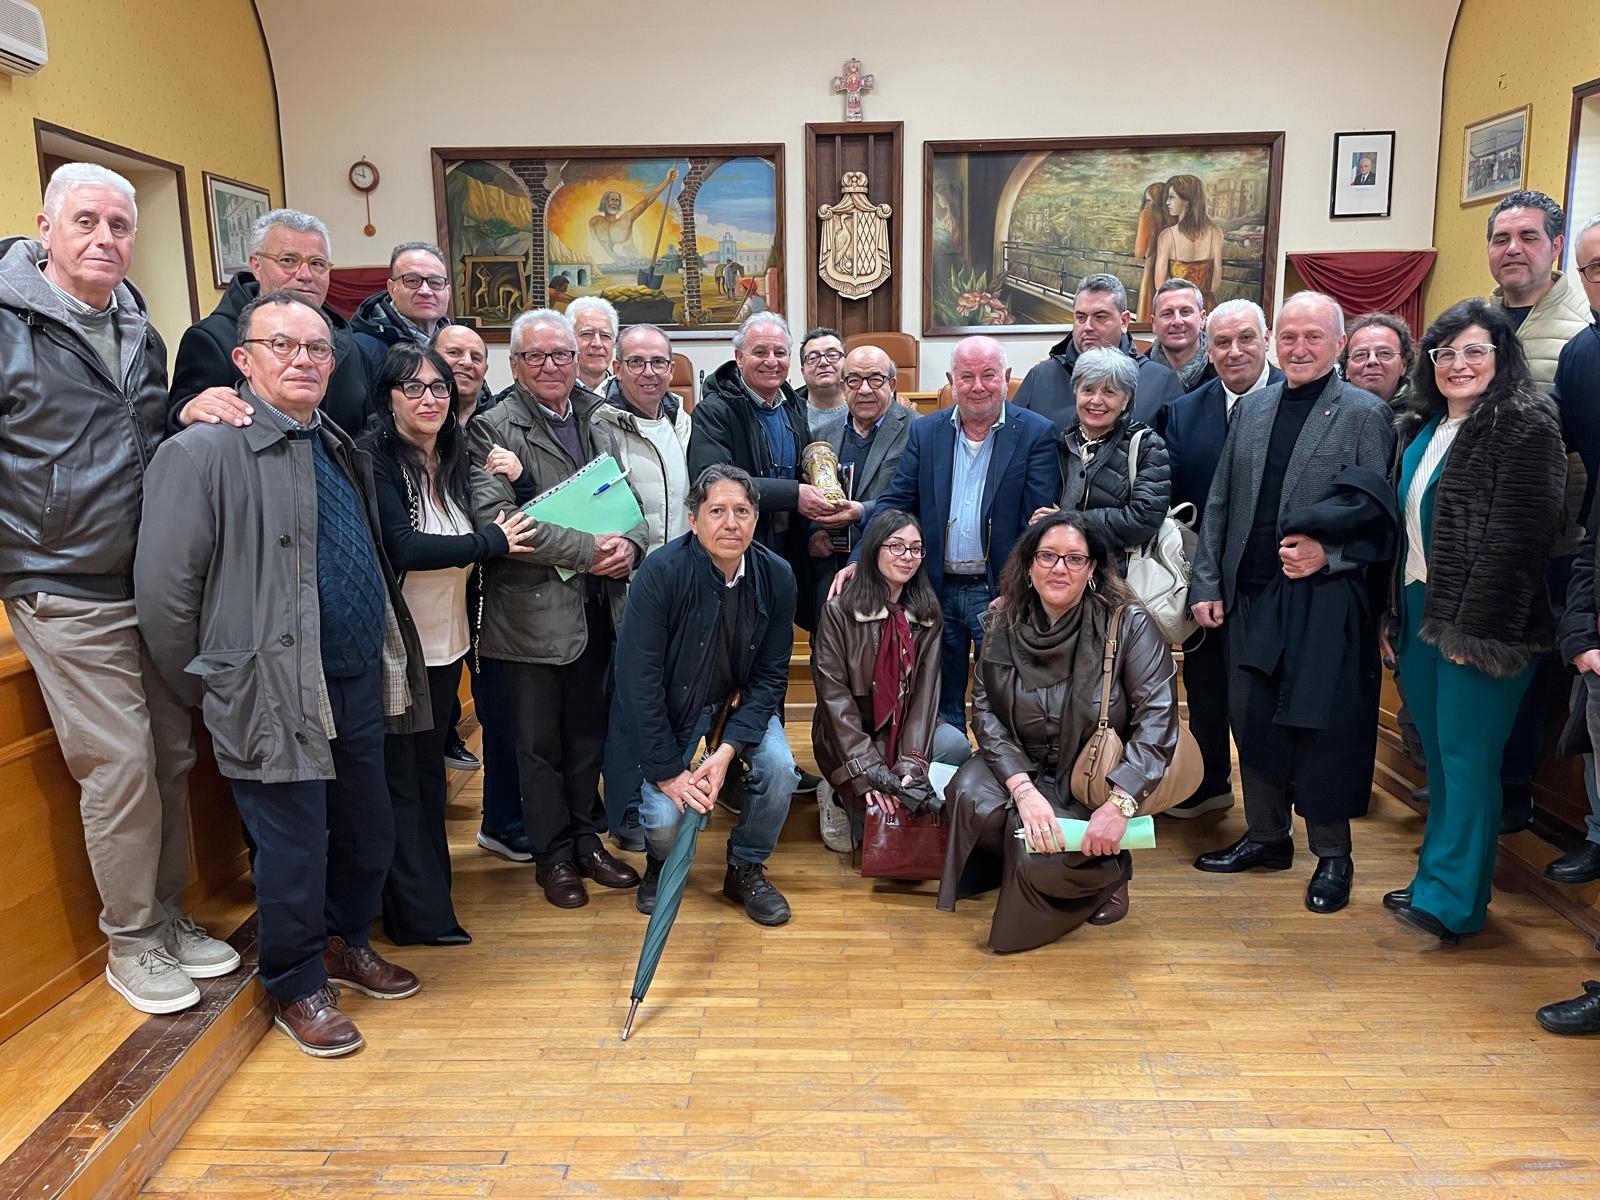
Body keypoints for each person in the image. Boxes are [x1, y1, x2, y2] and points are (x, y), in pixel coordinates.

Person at [136, 291, 429, 1057]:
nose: (304, 359)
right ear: (242, 359)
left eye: (317, 348)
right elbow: (165, 597)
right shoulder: (200, 452)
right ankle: (297, 983)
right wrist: (217, 683)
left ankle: (345, 943)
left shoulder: (335, 441)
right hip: (267, 684)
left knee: (367, 829)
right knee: (293, 848)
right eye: (283, 345)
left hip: (354, 676)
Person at [0, 162, 237, 1016]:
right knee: (123, 763)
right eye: (86, 221)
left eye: (120, 225)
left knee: (170, 755)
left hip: (147, 579)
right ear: (46, 228)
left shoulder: (138, 323)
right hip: (59, 581)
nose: (105, 238)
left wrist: (186, 412)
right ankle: (131, 941)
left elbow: (132, 438)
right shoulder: (9, 325)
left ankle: (166, 917)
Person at [1189, 292, 1397, 916]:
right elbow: (1220, 501)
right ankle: (1266, 837)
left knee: (1319, 727)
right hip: (1248, 595)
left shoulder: (1364, 413)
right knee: (1250, 719)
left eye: (1313, 337)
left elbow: (1381, 520)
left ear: (1339, 345)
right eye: (1289, 337)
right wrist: (1207, 582)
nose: (1299, 348)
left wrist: (1329, 557)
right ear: (1275, 342)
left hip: (1320, 602)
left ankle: (1333, 855)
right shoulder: (1253, 408)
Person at [1382, 299, 1565, 944]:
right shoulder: (1424, 425)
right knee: (1438, 759)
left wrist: (1477, 628)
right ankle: (1434, 879)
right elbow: (1404, 528)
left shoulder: (1525, 423)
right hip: (1419, 611)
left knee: (1467, 762)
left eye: (1474, 351)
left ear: (1501, 356)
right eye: (1446, 353)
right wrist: (1392, 613)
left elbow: (1522, 540)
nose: (1458, 364)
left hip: (1482, 624)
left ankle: (1455, 903)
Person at [937, 512, 1180, 951]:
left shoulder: (1128, 624)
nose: (1059, 568)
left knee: (1036, 854)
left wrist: (1121, 803)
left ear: (1092, 568)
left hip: (1089, 775)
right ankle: (1022, 852)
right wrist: (1023, 790)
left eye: (1074, 558)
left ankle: (1107, 875)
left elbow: (1158, 718)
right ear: (1029, 566)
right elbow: (986, 712)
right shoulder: (1003, 623)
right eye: (1048, 556)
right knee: (969, 795)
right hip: (1023, 760)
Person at [468, 308, 644, 909]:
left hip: (598, 610)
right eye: (536, 356)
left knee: (586, 737)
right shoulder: (491, 429)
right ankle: (554, 857)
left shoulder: (599, 417)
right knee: (538, 746)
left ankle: (588, 842)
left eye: (561, 354)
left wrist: (631, 545)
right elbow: (501, 521)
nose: (551, 366)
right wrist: (591, 550)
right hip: (530, 617)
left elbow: (629, 499)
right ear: (514, 365)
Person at [361, 343, 537, 945]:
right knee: (403, 784)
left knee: (427, 780)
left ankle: (428, 900)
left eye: (438, 387)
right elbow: (403, 546)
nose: (430, 398)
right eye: (413, 388)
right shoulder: (375, 458)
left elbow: (517, 515)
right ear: (387, 398)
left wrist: (519, 477)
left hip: (449, 645)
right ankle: (417, 918)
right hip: (396, 650)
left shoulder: (456, 456)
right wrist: (488, 543)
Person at [609, 465, 801, 926]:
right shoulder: (659, 574)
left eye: (742, 511)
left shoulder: (777, 576)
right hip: (671, 709)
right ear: (693, 520)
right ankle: (659, 864)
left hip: (737, 705)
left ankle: (745, 867)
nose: (730, 523)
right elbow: (637, 682)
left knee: (780, 770)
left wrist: (728, 750)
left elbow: (770, 678)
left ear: (756, 519)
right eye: (717, 511)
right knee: (664, 818)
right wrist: (671, 775)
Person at [837, 336, 1058, 738]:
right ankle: (947, 773)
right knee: (939, 703)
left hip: (999, 592)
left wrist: (1017, 589)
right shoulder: (927, 432)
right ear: (951, 381)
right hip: (933, 588)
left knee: (1006, 700)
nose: (978, 386)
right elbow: (896, 502)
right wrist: (858, 559)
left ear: (1006, 377)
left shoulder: (1036, 433)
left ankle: (1000, 774)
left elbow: (1038, 526)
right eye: (966, 376)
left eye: (988, 375)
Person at [1483, 190, 1593, 834]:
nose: (1513, 249)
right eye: (1501, 238)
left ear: (1555, 246)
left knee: (1539, 671)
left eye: (1528, 237)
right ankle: (1485, 782)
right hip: (1488, 536)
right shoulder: (1479, 322)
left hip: (1562, 537)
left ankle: (1518, 792)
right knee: (1493, 660)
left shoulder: (1582, 327)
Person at [1162, 300, 1282, 819]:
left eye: (1246, 338)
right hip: (1206, 579)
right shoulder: (1187, 411)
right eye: (1222, 342)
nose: (1235, 352)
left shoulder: (1298, 398)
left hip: (1278, 580)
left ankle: (1271, 815)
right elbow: (1177, 500)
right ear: (1207, 350)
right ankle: (1211, 784)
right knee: (1206, 687)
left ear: (1266, 339)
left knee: (1268, 699)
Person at [811, 510, 971, 852]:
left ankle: (902, 785)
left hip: (902, 730)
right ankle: (836, 791)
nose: (907, 556)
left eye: (915, 549)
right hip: (849, 737)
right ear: (874, 550)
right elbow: (835, 701)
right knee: (867, 839)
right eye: (896, 546)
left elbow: (924, 698)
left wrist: (910, 764)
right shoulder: (838, 611)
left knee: (955, 745)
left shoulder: (927, 615)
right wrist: (868, 769)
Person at [595, 322, 694, 850]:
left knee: (665, 697)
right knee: (630, 700)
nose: (649, 372)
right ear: (617, 368)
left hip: (679, 583)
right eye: (636, 362)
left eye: (659, 362)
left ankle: (662, 796)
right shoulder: (601, 423)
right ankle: (626, 811)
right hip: (629, 585)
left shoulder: (681, 420)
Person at [690, 311, 848, 631]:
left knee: (778, 644)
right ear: (739, 357)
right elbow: (714, 480)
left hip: (787, 552)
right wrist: (794, 495)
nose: (771, 361)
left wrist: (815, 529)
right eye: (760, 352)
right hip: (737, 552)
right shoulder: (714, 410)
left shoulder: (792, 405)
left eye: (780, 353)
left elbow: (804, 473)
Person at [170, 208, 371, 435]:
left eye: (317, 263)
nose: (306, 275)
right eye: (288, 260)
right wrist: (185, 412)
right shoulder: (212, 338)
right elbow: (182, 425)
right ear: (256, 266)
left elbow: (368, 426)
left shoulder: (346, 340)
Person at [1549, 213, 1600, 888]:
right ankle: (1596, 834)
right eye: (1595, 268)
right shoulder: (1581, 355)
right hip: (1591, 550)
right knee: (1591, 715)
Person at [1031, 347, 1171, 568]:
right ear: (1075, 393)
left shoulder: (1147, 445)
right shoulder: (1059, 442)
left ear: (1126, 400)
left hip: (1118, 575)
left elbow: (1144, 519)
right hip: (1061, 571)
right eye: (1088, 390)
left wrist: (1069, 521)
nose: (1096, 401)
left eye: (1109, 392)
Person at [806, 345, 915, 615]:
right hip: (831, 570)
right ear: (843, 386)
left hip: (891, 572)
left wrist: (862, 511)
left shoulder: (917, 430)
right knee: (828, 640)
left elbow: (916, 497)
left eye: (875, 379)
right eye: (854, 380)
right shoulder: (821, 435)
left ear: (892, 384)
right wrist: (814, 532)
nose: (864, 390)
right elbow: (809, 490)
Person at [1014, 273, 1183, 435]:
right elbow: (1013, 440)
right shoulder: (1041, 376)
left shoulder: (1161, 381)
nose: (1088, 326)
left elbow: (1178, 451)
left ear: (1124, 321)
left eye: (1100, 317)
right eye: (1081, 317)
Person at [352, 241, 453, 378]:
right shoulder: (361, 348)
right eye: (412, 281)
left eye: (435, 282)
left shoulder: (461, 345)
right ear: (391, 289)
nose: (425, 291)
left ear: (448, 292)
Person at [1153, 174, 1224, 309]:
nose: (1167, 202)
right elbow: (1215, 282)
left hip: (1179, 308)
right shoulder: (1216, 232)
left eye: (1172, 197)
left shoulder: (1167, 236)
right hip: (1206, 307)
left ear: (1187, 201)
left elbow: (1160, 284)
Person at [1147, 279, 1215, 392]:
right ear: (1154, 323)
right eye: (1167, 314)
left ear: (1202, 319)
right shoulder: (1137, 373)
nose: (1177, 321)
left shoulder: (1224, 371)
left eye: (1185, 312)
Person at [1339, 312, 1415, 411]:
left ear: (1403, 366)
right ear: (1346, 369)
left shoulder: (1425, 414)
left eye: (1384, 353)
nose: (1372, 361)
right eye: (1360, 355)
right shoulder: (1326, 412)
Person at [433, 323, 493, 425]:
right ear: (429, 359)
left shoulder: (500, 422)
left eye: (476, 358)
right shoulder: (412, 420)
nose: (467, 363)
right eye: (454, 352)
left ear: (485, 371)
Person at [797, 327, 848, 443]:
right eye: (813, 358)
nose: (823, 362)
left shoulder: (864, 406)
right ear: (803, 371)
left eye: (832, 355)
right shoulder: (788, 411)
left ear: (846, 363)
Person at [1134, 181, 1175, 323]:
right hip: (1172, 269)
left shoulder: (1147, 214)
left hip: (1152, 268)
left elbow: (1139, 252)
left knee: (1148, 312)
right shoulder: (1173, 217)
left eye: (1149, 201)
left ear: (1156, 202)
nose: (1146, 205)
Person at [567, 295, 619, 395]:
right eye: (587, 334)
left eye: (605, 335)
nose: (597, 343)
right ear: (568, 339)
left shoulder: (629, 394)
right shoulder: (554, 394)